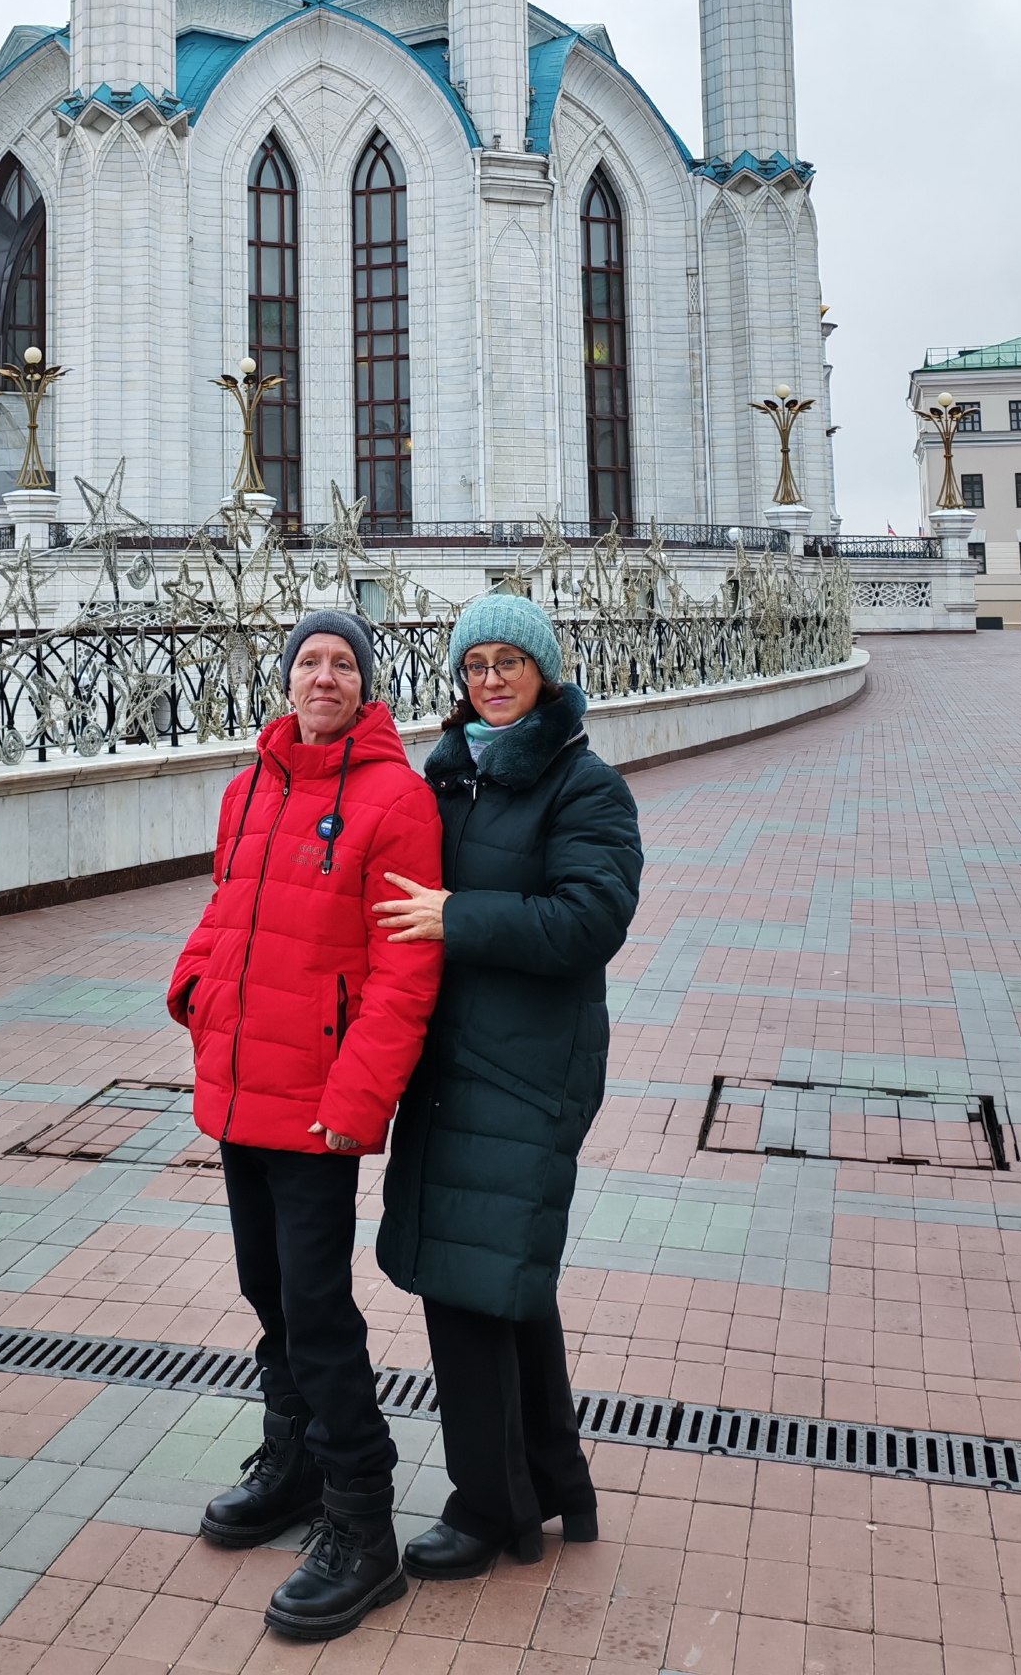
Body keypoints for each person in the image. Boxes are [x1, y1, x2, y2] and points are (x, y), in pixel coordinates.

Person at [169, 608, 444, 1641]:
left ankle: (362, 1523)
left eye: (342, 663)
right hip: (242, 1083)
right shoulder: (252, 786)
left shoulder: (395, 800)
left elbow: (406, 972)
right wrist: (193, 989)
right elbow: (225, 907)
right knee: (265, 1290)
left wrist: (356, 1100)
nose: (322, 677)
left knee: (320, 1312)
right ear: (286, 679)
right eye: (308, 661)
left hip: (318, 1106)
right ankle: (290, 1466)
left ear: (366, 685)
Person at [373, 594, 642, 1577]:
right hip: (454, 1064)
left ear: (544, 671)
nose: (489, 677)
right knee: (506, 1283)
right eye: (474, 662)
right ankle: (554, 1483)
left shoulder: (584, 784)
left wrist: (458, 916)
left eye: (508, 662)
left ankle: (488, 1509)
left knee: (468, 1288)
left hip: (529, 1071)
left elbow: (587, 921)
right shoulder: (452, 780)